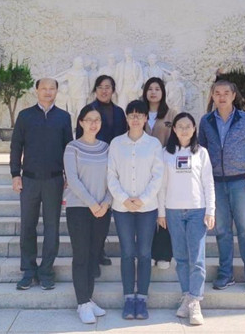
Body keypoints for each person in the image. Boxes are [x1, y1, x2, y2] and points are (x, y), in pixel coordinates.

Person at [198, 80, 245, 293]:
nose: (222, 97)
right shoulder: (206, 121)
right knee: (222, 230)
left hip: (241, 183)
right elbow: (201, 152)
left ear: (233, 95)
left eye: (226, 93)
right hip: (216, 183)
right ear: (212, 96)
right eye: (217, 93)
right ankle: (225, 273)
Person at [9, 78, 73, 291]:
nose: (47, 92)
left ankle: (46, 271)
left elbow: (68, 148)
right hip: (29, 180)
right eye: (43, 88)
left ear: (56, 91)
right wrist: (15, 174)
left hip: (54, 180)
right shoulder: (25, 116)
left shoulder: (63, 117)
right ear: (36, 90)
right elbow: (16, 146)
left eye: (51, 88)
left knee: (52, 227)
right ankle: (28, 271)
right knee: (28, 225)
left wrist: (68, 175)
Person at [107, 100, 164, 320]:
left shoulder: (153, 144)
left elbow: (157, 176)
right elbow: (111, 175)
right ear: (126, 118)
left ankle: (142, 299)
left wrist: (142, 199)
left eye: (139, 115)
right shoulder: (116, 143)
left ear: (145, 118)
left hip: (147, 208)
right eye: (131, 115)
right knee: (128, 253)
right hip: (122, 208)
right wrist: (124, 199)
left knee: (144, 253)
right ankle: (129, 298)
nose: (135, 119)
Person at [157, 113, 215, 326]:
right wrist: (161, 212)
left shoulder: (202, 153)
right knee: (181, 257)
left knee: (197, 258)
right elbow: (162, 185)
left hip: (197, 211)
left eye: (188, 126)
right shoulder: (166, 153)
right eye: (179, 126)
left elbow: (208, 183)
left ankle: (195, 301)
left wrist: (211, 210)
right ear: (174, 129)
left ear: (194, 129)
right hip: (173, 211)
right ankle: (186, 296)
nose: (184, 130)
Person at [63, 106, 112, 324]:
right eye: (89, 119)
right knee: (81, 255)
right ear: (81, 122)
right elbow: (73, 180)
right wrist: (92, 204)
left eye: (97, 120)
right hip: (79, 209)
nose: (93, 123)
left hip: (102, 209)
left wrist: (106, 203)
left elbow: (113, 178)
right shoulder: (72, 147)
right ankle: (82, 303)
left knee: (93, 255)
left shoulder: (106, 148)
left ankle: (88, 299)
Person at [75, 74, 127, 267]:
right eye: (100, 87)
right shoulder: (88, 111)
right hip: (91, 165)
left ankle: (99, 251)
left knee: (105, 210)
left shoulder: (119, 112)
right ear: (95, 90)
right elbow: (79, 138)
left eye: (108, 87)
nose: (104, 90)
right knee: (92, 208)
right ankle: (91, 254)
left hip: (112, 164)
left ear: (113, 90)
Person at [141, 77, 177, 270]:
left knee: (163, 209)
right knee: (147, 211)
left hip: (165, 168)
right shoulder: (139, 112)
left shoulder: (171, 114)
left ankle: (163, 254)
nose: (153, 92)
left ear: (163, 92)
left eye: (157, 89)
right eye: (150, 89)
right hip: (142, 169)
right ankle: (147, 252)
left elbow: (177, 139)